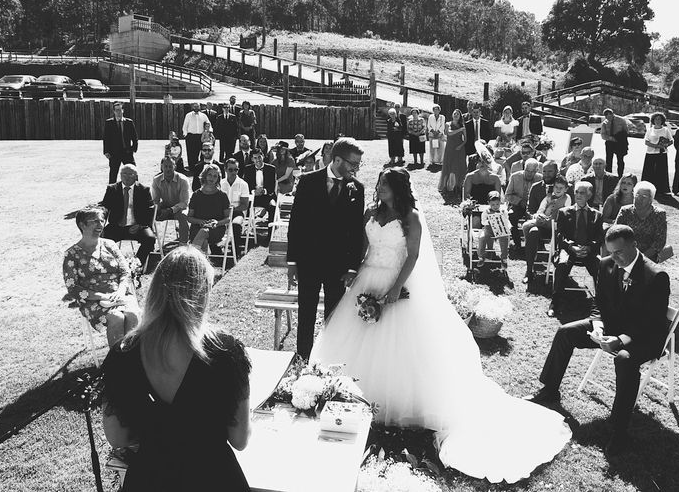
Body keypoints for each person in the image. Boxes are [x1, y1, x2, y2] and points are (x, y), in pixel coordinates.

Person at [312, 168, 571, 484]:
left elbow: (413, 256)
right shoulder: (371, 211)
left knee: (401, 344)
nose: (378, 188)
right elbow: (365, 248)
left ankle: (398, 399)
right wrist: (355, 272)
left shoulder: (411, 217)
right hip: (368, 278)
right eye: (378, 183)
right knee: (357, 336)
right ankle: (355, 392)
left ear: (396, 188)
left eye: (383, 184)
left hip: (396, 282)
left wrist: (395, 287)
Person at [100, 246, 251, 491]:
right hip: (214, 477)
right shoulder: (227, 352)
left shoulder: (122, 355)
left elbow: (117, 438)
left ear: (156, 290)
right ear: (202, 292)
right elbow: (239, 439)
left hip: (150, 478)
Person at [527, 224, 669, 454]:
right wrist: (599, 325)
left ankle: (619, 430)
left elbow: (651, 323)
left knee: (624, 359)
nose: (614, 257)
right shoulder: (606, 264)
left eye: (619, 252)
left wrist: (620, 340)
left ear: (634, 245)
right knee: (566, 332)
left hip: (645, 337)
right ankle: (550, 389)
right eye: (610, 252)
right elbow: (598, 303)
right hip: (612, 327)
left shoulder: (656, 276)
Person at [287, 137, 366, 360]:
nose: (356, 168)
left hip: (338, 267)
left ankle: (328, 358)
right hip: (308, 262)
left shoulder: (356, 189)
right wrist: (292, 262)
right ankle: (303, 358)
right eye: (353, 164)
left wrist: (352, 267)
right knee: (306, 313)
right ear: (337, 159)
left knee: (333, 316)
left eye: (359, 164)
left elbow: (355, 231)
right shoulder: (308, 181)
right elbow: (297, 223)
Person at [62, 206, 140, 347]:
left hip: (119, 294)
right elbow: (73, 288)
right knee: (116, 318)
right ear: (82, 225)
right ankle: (117, 362)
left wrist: (120, 291)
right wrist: (101, 296)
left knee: (133, 314)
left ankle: (132, 359)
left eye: (102, 221)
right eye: (95, 221)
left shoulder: (110, 245)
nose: (100, 225)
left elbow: (125, 272)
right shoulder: (71, 254)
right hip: (93, 300)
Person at [549, 181, 603, 317]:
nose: (578, 195)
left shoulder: (596, 215)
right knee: (562, 265)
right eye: (577, 192)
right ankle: (555, 302)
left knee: (600, 267)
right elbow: (560, 235)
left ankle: (601, 305)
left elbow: (598, 237)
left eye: (582, 193)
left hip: (588, 251)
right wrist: (571, 246)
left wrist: (590, 247)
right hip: (569, 250)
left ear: (589, 195)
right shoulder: (564, 212)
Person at [100, 164, 156, 268]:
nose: (127, 176)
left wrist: (140, 226)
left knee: (150, 239)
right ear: (120, 175)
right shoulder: (112, 189)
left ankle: (136, 266)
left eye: (130, 174)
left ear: (136, 176)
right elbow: (104, 208)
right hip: (116, 226)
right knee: (101, 240)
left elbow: (150, 211)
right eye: (124, 174)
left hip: (137, 227)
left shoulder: (144, 190)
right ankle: (110, 266)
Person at [523, 176, 571, 284]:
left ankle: (558, 269)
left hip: (557, 227)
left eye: (561, 188)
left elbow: (566, 214)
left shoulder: (567, 199)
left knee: (531, 227)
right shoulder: (547, 197)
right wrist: (540, 215)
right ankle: (529, 270)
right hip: (544, 224)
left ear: (566, 189)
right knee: (533, 232)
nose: (558, 190)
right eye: (556, 187)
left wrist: (552, 214)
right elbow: (539, 211)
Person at [187, 165, 232, 255]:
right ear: (205, 176)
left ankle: (190, 257)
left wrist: (217, 223)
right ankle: (201, 266)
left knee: (204, 231)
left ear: (218, 179)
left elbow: (228, 218)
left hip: (216, 229)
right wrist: (201, 221)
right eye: (210, 175)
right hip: (197, 228)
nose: (212, 178)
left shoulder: (222, 196)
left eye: (215, 176)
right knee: (203, 240)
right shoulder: (196, 195)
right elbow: (189, 218)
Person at [616, 181, 667, 261]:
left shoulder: (659, 214)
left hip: (648, 257)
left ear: (651, 199)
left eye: (644, 197)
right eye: (637, 195)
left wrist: (641, 257)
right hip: (625, 254)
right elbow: (616, 234)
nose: (639, 199)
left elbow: (659, 242)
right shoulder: (625, 211)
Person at [152, 157, 191, 243]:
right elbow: (155, 200)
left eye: (170, 166)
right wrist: (157, 209)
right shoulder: (156, 180)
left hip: (181, 208)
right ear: (161, 167)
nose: (168, 169)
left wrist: (170, 210)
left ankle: (183, 244)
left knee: (183, 216)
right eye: (165, 166)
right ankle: (149, 242)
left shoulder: (183, 180)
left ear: (175, 167)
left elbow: (184, 202)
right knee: (150, 212)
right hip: (166, 205)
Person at [505, 159, 542, 252]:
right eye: (527, 171)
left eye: (532, 171)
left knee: (536, 218)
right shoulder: (515, 176)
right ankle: (517, 243)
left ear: (536, 171)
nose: (529, 174)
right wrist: (519, 201)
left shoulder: (540, 178)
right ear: (524, 168)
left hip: (534, 206)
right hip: (517, 204)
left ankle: (535, 244)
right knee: (511, 216)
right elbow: (507, 195)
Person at [104, 101, 138, 184]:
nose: (118, 112)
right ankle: (111, 194)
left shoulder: (129, 122)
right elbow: (106, 138)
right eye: (116, 110)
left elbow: (134, 137)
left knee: (133, 172)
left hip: (127, 152)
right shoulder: (109, 123)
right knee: (113, 175)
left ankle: (136, 190)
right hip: (114, 153)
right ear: (114, 111)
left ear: (123, 110)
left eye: (120, 110)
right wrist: (106, 151)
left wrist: (133, 149)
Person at [220, 158, 251, 249]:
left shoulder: (243, 184)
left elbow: (245, 205)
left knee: (236, 224)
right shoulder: (220, 183)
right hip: (222, 211)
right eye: (230, 170)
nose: (233, 172)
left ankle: (236, 249)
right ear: (225, 169)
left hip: (237, 212)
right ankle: (215, 248)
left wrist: (232, 210)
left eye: (236, 169)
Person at [477, 190, 510, 270]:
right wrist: (491, 221)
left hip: (500, 229)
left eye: (497, 204)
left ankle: (504, 259)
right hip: (489, 230)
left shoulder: (503, 211)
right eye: (493, 204)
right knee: (482, 237)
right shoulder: (486, 211)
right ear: (489, 203)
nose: (495, 206)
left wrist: (506, 224)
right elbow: (483, 221)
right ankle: (481, 257)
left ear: (500, 203)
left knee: (504, 239)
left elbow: (506, 220)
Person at [242, 149, 277, 223]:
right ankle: (248, 228)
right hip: (253, 196)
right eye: (255, 158)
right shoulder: (248, 169)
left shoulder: (271, 169)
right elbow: (246, 185)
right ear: (252, 159)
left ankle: (270, 231)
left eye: (259, 157)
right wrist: (254, 192)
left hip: (267, 196)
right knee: (245, 204)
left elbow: (272, 186)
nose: (258, 160)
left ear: (263, 156)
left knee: (273, 206)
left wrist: (264, 191)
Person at [641, 112, 672, 195]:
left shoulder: (665, 130)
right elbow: (646, 142)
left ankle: (661, 189)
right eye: (656, 119)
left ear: (662, 120)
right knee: (649, 171)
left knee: (661, 172)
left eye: (659, 119)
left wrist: (666, 145)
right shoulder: (650, 130)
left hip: (662, 154)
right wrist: (657, 146)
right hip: (650, 153)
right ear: (653, 120)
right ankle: (646, 189)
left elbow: (671, 141)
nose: (657, 121)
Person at [438, 109, 467, 193]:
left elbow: (465, 139)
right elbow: (448, 133)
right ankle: (448, 186)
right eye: (454, 113)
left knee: (458, 166)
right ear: (452, 115)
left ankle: (458, 185)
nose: (456, 115)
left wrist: (460, 146)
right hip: (450, 147)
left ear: (460, 116)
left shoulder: (462, 125)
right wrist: (460, 129)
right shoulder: (448, 124)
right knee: (449, 165)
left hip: (459, 148)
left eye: (458, 114)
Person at [182, 103, 211, 170]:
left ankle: (201, 167)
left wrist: (209, 132)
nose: (196, 107)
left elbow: (208, 124)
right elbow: (185, 126)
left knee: (202, 152)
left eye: (197, 106)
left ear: (200, 107)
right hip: (191, 136)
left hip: (201, 136)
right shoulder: (188, 115)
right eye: (195, 106)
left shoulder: (203, 115)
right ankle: (192, 167)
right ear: (193, 107)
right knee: (191, 153)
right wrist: (185, 134)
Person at [601, 108, 630, 175]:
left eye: (609, 115)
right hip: (610, 142)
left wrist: (619, 137)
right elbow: (603, 135)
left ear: (612, 114)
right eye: (606, 116)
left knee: (620, 160)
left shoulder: (621, 120)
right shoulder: (604, 123)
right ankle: (608, 175)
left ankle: (620, 175)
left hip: (620, 143)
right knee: (609, 160)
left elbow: (626, 131)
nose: (608, 117)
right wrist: (610, 138)